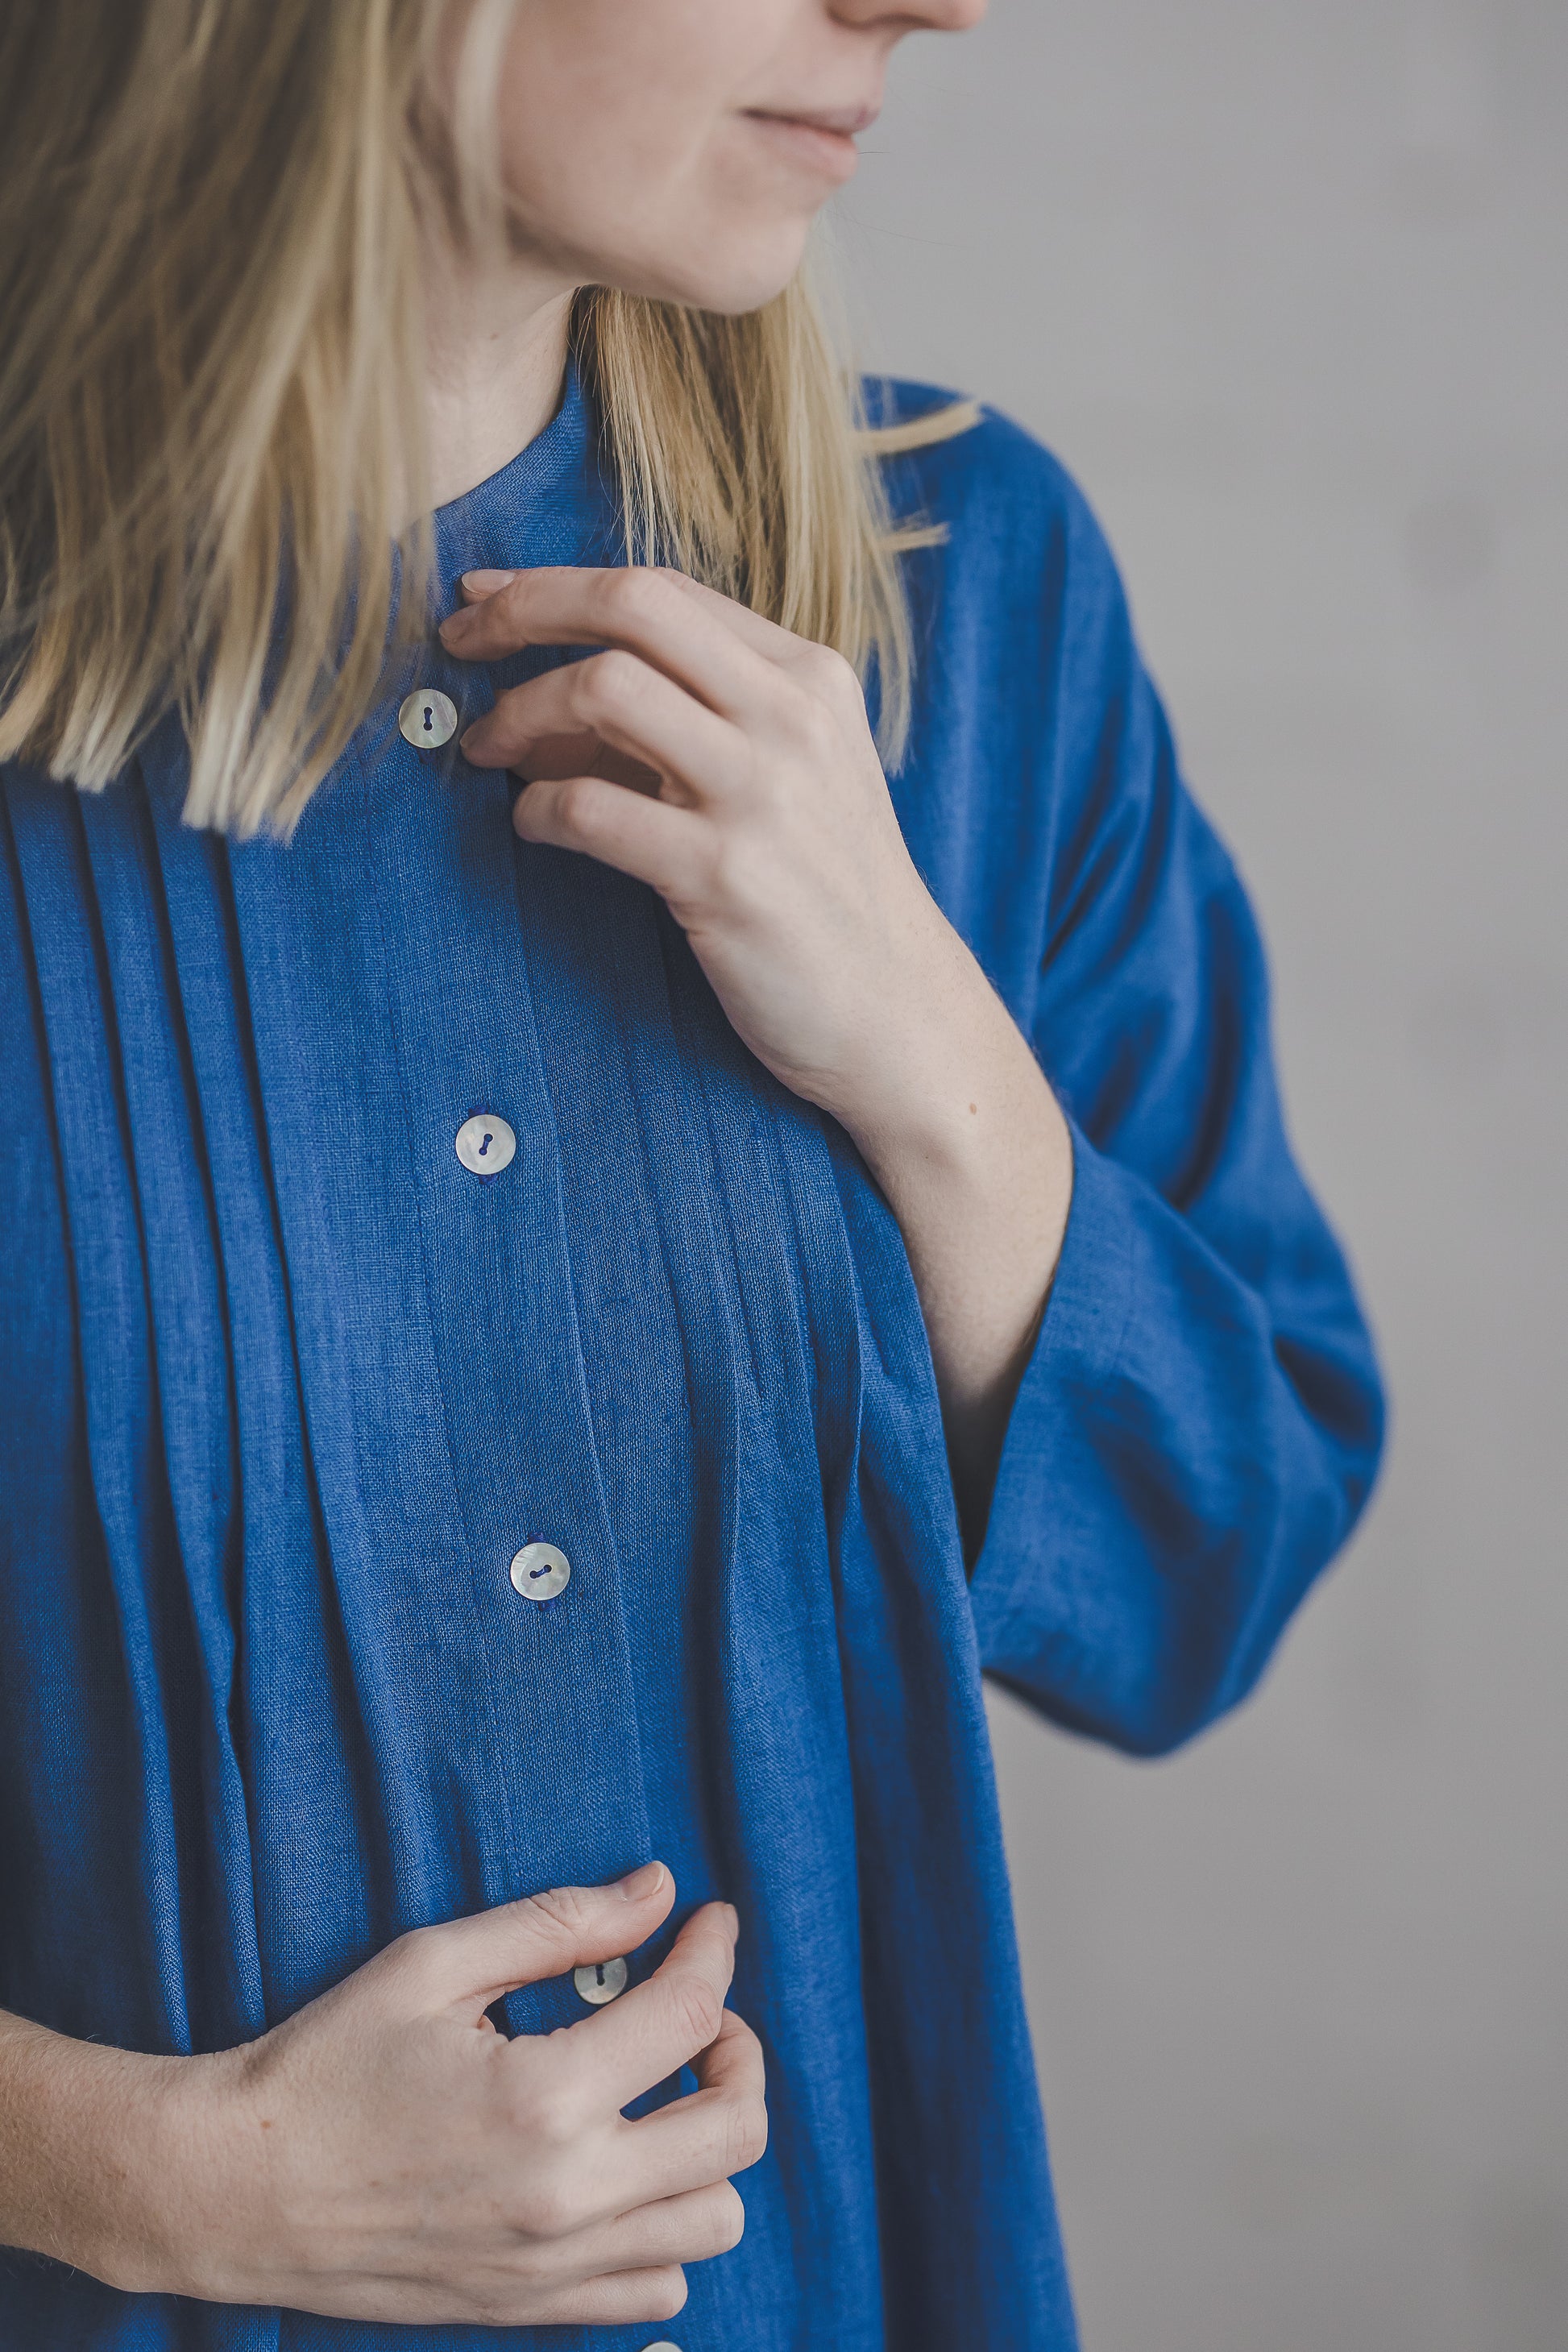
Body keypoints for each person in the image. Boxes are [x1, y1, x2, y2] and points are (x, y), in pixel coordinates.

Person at [0, 2, 1384, 2346]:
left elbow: (1204, 1575)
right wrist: (143, 2178)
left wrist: (930, 1052)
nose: (926, 4)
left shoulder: (970, 590)